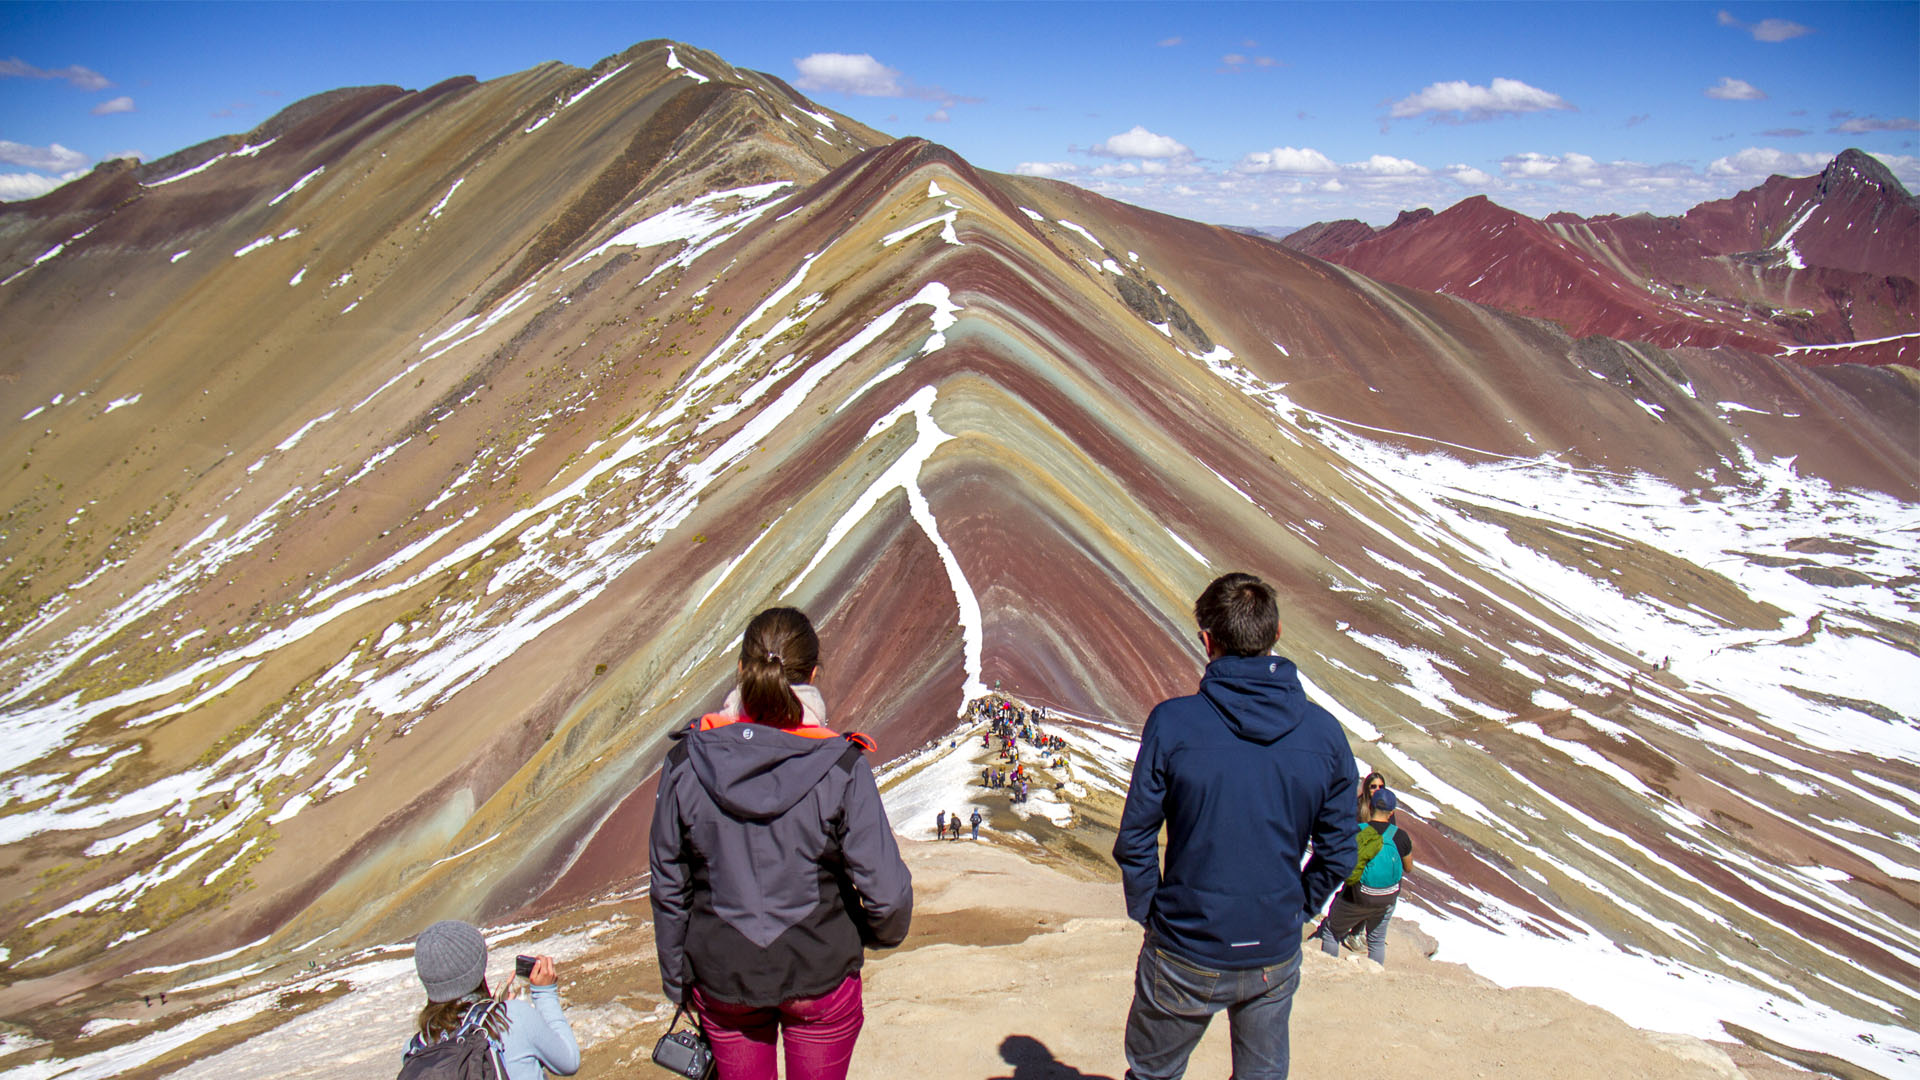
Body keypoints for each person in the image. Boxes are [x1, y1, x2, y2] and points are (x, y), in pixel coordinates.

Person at [650, 607, 913, 1080]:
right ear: (813, 674)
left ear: (740, 670)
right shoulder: (840, 766)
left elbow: (671, 883)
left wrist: (678, 979)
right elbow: (887, 894)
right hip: (820, 969)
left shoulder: (687, 759)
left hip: (723, 976)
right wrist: (871, 935)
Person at [1113, 572, 1357, 1080]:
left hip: (1185, 943)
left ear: (1207, 641)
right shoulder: (1325, 732)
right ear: (1277, 633)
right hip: (1273, 946)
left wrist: (1151, 913)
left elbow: (1136, 838)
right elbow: (1338, 850)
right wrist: (1298, 908)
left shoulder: (1173, 723)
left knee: (1152, 1073)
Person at [405, 919, 580, 1080]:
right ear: (479, 965)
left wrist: (491, 1009)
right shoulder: (514, 1016)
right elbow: (568, 1061)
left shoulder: (414, 1049)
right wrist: (544, 992)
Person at [1315, 787, 1414, 966]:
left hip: (1356, 897)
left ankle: (1328, 968)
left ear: (1370, 806)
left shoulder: (1356, 831)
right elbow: (1408, 867)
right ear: (1392, 812)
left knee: (1331, 932)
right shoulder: (1400, 836)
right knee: (1376, 940)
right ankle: (1374, 976)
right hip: (1386, 899)